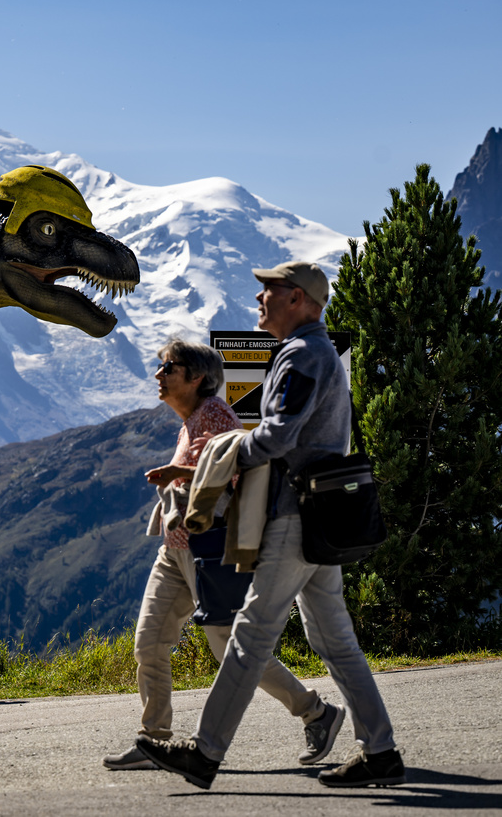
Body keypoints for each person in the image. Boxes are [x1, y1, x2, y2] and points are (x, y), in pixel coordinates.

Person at [136, 261, 404, 789]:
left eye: (270, 290)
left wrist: (228, 447)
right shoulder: (317, 354)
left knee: (250, 633)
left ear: (299, 299)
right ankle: (380, 751)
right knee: (336, 641)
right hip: (319, 518)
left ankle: (205, 752)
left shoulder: (303, 355)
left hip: (295, 516)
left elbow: (279, 436)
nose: (260, 299)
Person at [103, 337, 341, 772]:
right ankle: (154, 739)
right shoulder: (190, 420)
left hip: (208, 554)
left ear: (197, 377)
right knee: (150, 643)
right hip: (175, 552)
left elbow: (237, 473)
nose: (159, 375)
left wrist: (178, 473)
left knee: (230, 650)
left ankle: (316, 713)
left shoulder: (216, 416)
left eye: (168, 368)